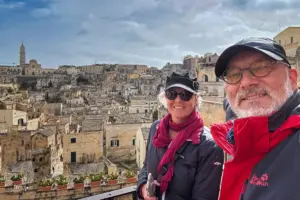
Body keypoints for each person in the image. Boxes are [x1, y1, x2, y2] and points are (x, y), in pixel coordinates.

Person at [211, 37, 300, 200]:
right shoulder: (234, 136)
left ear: (292, 79)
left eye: (261, 68)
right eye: (233, 74)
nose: (245, 82)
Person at [137, 72, 224, 200]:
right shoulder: (156, 129)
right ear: (165, 98)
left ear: (195, 99)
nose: (178, 99)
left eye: (185, 95)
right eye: (172, 94)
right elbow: (146, 167)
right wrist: (144, 188)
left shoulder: (209, 146)